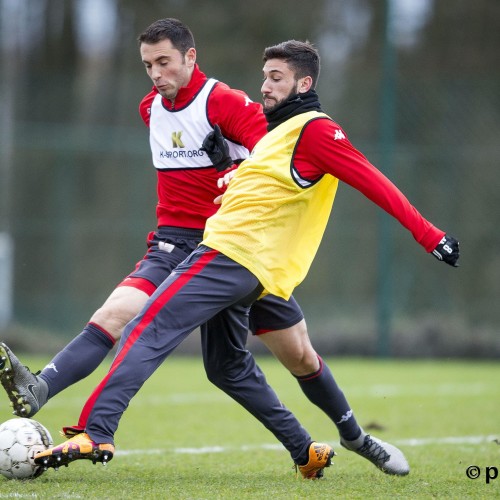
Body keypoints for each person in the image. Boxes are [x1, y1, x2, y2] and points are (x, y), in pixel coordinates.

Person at [32, 38, 459, 476]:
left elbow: (373, 181)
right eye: (264, 77)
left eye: (276, 78)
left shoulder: (315, 129)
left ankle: (97, 430)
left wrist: (430, 235)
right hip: (245, 267)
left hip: (230, 257)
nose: (265, 87)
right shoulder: (277, 137)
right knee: (228, 366)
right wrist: (227, 171)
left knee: (149, 324)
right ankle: (320, 448)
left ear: (303, 82)